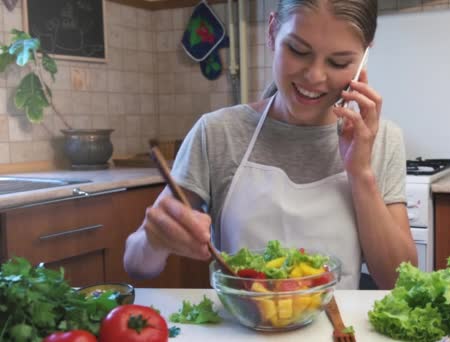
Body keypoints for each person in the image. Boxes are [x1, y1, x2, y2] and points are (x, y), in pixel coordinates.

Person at [124, 0, 417, 290]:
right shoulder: (217, 133)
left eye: (338, 62)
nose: (315, 76)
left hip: (337, 334)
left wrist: (361, 173)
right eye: (298, 51)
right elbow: (136, 265)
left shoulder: (381, 139)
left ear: (365, 55)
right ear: (273, 31)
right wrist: (154, 239)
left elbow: (398, 282)